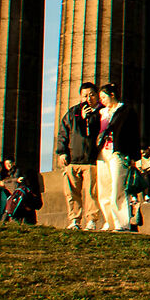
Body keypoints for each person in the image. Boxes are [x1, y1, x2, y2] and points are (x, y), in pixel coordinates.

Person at [54, 83, 105, 229]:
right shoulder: (73, 112)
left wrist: (89, 117)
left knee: (91, 193)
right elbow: (63, 133)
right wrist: (61, 152)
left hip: (91, 160)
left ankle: (91, 220)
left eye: (91, 95)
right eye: (85, 95)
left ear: (97, 95)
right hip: (73, 159)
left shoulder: (102, 112)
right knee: (71, 193)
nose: (88, 98)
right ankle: (74, 220)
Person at [95, 94, 138, 232]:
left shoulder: (125, 111)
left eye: (103, 96)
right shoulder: (100, 112)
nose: (101, 100)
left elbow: (133, 133)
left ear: (112, 95)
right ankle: (109, 221)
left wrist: (133, 156)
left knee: (117, 188)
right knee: (104, 189)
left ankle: (121, 223)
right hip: (102, 153)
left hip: (118, 152)